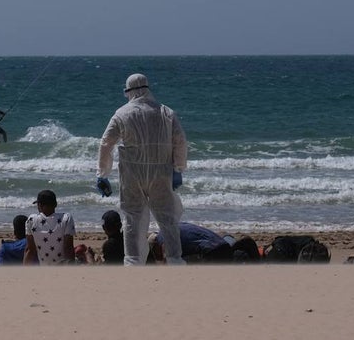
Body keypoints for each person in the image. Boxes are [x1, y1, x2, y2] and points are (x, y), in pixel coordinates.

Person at [96, 73, 187, 265]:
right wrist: (178, 168)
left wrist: (103, 174)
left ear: (128, 91)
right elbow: (179, 141)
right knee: (168, 219)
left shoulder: (122, 113)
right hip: (161, 173)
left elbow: (106, 143)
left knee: (132, 220)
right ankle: (175, 261)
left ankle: (133, 263)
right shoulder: (166, 112)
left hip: (132, 176)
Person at [24, 189, 75, 265]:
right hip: (62, 266)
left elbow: (30, 250)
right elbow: (68, 248)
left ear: (39, 205)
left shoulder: (31, 220)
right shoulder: (66, 218)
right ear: (55, 204)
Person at [147, 222, 233, 264]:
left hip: (211, 252)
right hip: (225, 246)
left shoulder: (162, 236)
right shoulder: (178, 225)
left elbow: (167, 260)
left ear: (156, 244)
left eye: (155, 252)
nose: (157, 256)